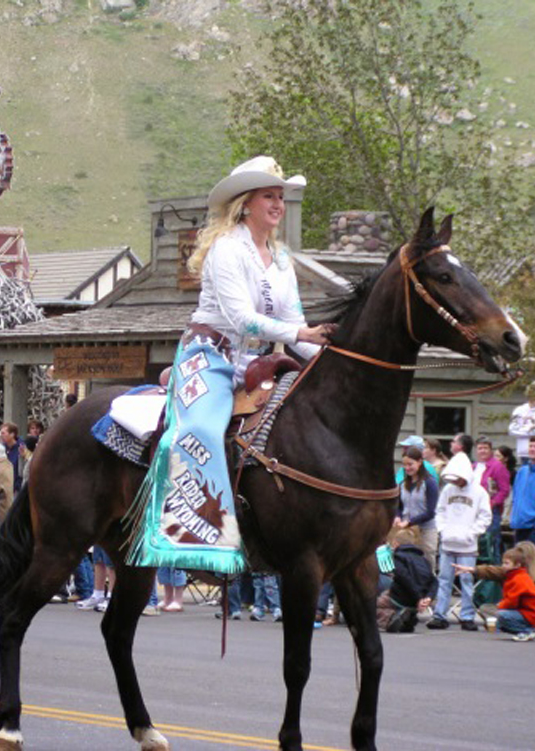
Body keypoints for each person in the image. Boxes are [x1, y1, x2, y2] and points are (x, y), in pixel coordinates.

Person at [130, 155, 330, 573]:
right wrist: (301, 337)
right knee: (201, 429)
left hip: (259, 361)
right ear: (245, 204)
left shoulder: (279, 259)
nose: (278, 204)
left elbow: (295, 325)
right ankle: (197, 537)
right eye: (269, 196)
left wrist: (333, 361)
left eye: (280, 196)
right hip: (210, 354)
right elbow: (242, 318)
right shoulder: (226, 249)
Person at [426, 452, 491, 631]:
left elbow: (485, 517)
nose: (456, 482)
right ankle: (440, 615)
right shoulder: (448, 490)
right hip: (448, 543)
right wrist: (443, 530)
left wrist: (472, 533)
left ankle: (467, 616)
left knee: (466, 581)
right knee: (444, 580)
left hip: (467, 545)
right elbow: (440, 511)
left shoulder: (479, 492)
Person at [376, 525, 436, 633]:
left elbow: (404, 578)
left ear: (396, 544)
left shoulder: (397, 557)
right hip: (419, 600)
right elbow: (434, 581)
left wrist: (418, 598)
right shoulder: (424, 560)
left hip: (401, 597)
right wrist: (428, 597)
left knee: (375, 605)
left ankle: (390, 618)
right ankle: (408, 619)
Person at [394, 446, 440, 570]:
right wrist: (398, 516)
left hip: (426, 531)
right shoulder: (403, 484)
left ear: (420, 462)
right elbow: (399, 505)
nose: (407, 468)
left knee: (427, 566)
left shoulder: (430, 483)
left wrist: (410, 522)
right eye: (404, 465)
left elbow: (430, 512)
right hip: (406, 532)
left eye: (410, 464)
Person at [490, 546, 535, 641]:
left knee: (502, 615)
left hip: (529, 613)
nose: (503, 566)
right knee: (499, 619)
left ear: (517, 565)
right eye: (503, 563)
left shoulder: (519, 579)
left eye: (506, 563)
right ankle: (526, 630)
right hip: (525, 612)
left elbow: (512, 600)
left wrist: (501, 605)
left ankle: (527, 630)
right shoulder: (514, 576)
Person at [509, 436, 535, 548]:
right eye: (530, 446)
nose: (532, 449)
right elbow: (515, 496)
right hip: (519, 525)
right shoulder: (522, 471)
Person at [474, 436, 511, 562]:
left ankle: (494, 573)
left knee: (491, 543)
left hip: (491, 511)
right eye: (480, 448)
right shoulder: (474, 467)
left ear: (490, 450)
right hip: (474, 510)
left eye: (485, 448)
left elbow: (504, 490)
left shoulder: (497, 467)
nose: (482, 451)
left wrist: (493, 502)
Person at [508, 389, 535, 464]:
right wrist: (530, 427)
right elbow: (512, 430)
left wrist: (523, 427)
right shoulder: (519, 410)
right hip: (523, 450)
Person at [0, 422, 23, 493]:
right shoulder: (2, 448)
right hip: (3, 487)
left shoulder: (22, 449)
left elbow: (21, 471)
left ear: (12, 434)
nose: (1, 435)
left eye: (3, 433)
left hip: (16, 489)